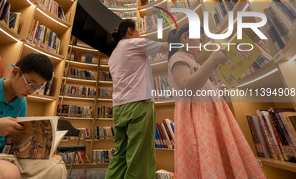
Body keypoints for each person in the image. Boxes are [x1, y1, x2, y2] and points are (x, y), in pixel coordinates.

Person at [167, 24, 265, 179]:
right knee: (205, 156)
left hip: (208, 115)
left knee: (216, 156)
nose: (202, 46)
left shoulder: (194, 62)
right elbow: (187, 86)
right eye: (200, 40)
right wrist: (212, 60)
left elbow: (204, 90)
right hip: (196, 118)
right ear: (185, 37)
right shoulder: (177, 58)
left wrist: (221, 85)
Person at [0, 53, 67, 179]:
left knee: (56, 168)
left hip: (3, 156)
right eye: (31, 84)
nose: (32, 91)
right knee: (7, 172)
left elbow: (15, 144)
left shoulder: (21, 102)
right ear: (15, 72)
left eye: (38, 87)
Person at [105, 19, 168, 179]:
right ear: (129, 30)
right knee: (140, 157)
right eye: (138, 29)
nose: (141, 32)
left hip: (119, 108)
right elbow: (166, 48)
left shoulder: (113, 55)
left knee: (120, 154)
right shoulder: (135, 43)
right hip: (138, 104)